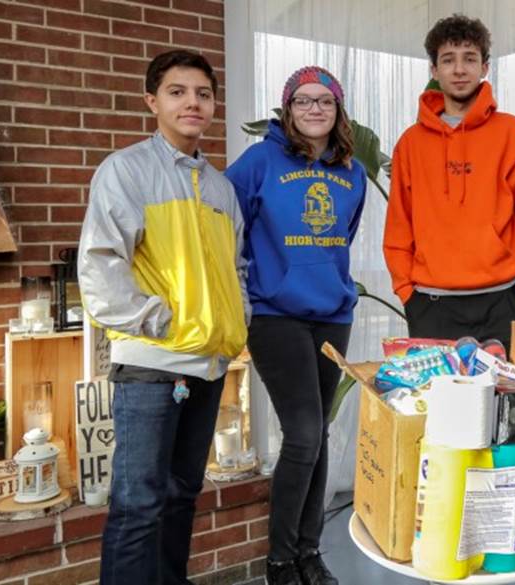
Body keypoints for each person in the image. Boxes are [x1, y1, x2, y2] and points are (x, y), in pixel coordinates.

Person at [78, 50, 250, 584]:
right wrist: (158, 320)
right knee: (138, 506)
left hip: (208, 365)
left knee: (181, 497)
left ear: (214, 105)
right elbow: (100, 264)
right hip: (152, 366)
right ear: (152, 101)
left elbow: (236, 268)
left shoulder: (221, 189)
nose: (192, 103)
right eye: (177, 92)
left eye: (202, 93)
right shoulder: (125, 170)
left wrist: (234, 321)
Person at [225, 66, 366, 585]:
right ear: (287, 108)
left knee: (319, 434)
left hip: (332, 314)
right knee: (304, 432)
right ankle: (280, 560)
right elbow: (224, 224)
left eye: (324, 102)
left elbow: (343, 236)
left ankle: (310, 552)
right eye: (303, 101)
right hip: (274, 314)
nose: (314, 110)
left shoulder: (351, 172)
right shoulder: (260, 160)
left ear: (337, 110)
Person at [383, 13, 515, 352]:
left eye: (469, 59)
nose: (459, 69)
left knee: (513, 405)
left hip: (506, 300)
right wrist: (408, 293)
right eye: (448, 60)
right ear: (434, 70)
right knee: (440, 406)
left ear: (485, 67)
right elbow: (400, 225)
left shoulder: (511, 132)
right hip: (432, 305)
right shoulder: (410, 143)